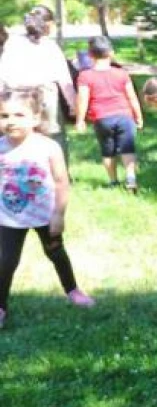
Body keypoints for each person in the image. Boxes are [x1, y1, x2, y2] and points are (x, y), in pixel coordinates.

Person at [0, 87, 94, 329]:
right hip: (8, 217)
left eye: (19, 115)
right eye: (4, 116)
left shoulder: (49, 147)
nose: (11, 122)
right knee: (5, 262)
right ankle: (1, 306)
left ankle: (72, 290)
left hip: (45, 215)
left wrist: (58, 214)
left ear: (35, 118)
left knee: (56, 253)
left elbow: (62, 181)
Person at [0, 8, 77, 162]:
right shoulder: (50, 46)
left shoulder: (12, 43)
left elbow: (3, 73)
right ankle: (58, 172)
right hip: (45, 96)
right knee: (54, 137)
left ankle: (20, 167)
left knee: (17, 135)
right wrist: (73, 104)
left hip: (16, 96)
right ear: (47, 25)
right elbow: (64, 79)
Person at [75, 36, 143, 191]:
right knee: (128, 148)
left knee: (107, 150)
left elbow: (82, 99)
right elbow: (132, 96)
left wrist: (80, 120)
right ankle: (131, 178)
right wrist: (138, 116)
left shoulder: (85, 76)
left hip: (102, 118)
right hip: (125, 116)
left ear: (90, 55)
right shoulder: (121, 73)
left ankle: (113, 181)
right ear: (111, 53)